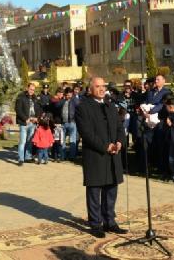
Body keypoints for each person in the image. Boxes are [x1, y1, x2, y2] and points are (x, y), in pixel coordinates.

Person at [75, 77, 127, 238]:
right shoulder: (83, 107)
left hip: (113, 156)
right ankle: (95, 224)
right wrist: (105, 146)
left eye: (103, 86)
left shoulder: (110, 105)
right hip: (96, 155)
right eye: (97, 86)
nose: (101, 89)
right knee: (95, 192)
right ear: (90, 89)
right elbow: (87, 134)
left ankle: (110, 222)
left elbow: (120, 127)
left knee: (111, 190)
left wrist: (119, 142)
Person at [14, 83, 42, 166]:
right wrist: (25, 119)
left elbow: (39, 109)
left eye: (33, 90)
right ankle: (21, 159)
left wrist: (37, 118)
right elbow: (18, 109)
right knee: (22, 141)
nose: (32, 91)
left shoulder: (35, 98)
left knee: (30, 141)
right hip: (24, 123)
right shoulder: (21, 96)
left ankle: (28, 157)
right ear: (27, 88)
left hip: (33, 123)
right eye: (30, 89)